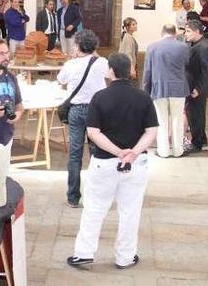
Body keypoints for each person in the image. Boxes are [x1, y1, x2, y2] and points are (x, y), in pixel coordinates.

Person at [67, 53, 158, 270]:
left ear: (110, 71)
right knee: (130, 211)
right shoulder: (143, 97)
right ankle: (125, 257)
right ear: (131, 71)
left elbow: (93, 132)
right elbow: (151, 131)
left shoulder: (100, 97)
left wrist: (118, 152)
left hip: (104, 163)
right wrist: (133, 153)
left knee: (94, 208)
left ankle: (84, 253)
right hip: (135, 164)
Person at [57, 30, 109, 208]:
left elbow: (60, 79)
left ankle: (73, 197)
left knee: (75, 154)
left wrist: (73, 59)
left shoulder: (71, 65)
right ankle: (96, 195)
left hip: (76, 111)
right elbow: (110, 74)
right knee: (97, 154)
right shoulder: (102, 62)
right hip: (97, 111)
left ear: (78, 46)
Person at [142, 25, 190, 158]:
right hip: (178, 88)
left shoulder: (152, 47)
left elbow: (148, 71)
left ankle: (163, 151)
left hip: (159, 87)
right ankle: (177, 150)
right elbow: (186, 64)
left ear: (162, 33)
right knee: (177, 120)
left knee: (161, 120)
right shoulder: (183, 47)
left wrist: (145, 90)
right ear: (174, 33)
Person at [184, 20, 208, 153]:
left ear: (197, 31)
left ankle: (197, 143)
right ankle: (201, 139)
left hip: (197, 89)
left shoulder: (204, 47)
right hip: (193, 86)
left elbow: (206, 71)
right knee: (194, 115)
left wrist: (198, 89)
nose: (186, 34)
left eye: (188, 31)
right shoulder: (196, 44)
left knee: (196, 116)